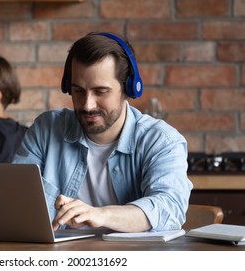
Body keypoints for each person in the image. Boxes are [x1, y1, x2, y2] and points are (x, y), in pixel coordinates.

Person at [13, 32, 193, 232]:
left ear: (128, 89)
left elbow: (169, 208)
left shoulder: (161, 140)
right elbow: (15, 201)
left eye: (100, 92)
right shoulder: (46, 129)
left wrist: (100, 214)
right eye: (79, 91)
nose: (88, 105)